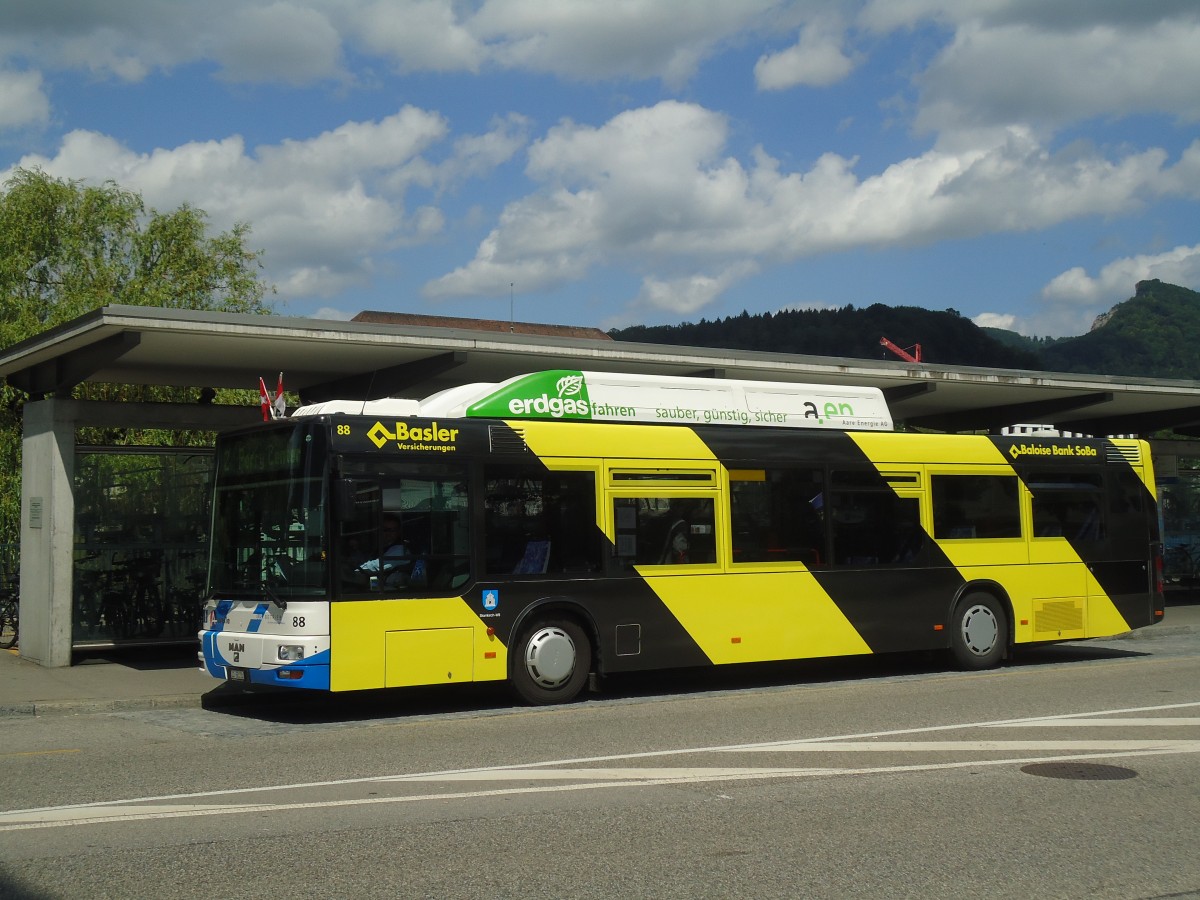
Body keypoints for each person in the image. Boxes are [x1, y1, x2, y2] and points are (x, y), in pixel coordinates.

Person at [357, 513, 412, 588]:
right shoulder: (380, 548)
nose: (388, 534)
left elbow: (376, 566)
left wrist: (355, 570)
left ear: (398, 532)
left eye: (392, 530)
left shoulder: (400, 550)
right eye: (385, 530)